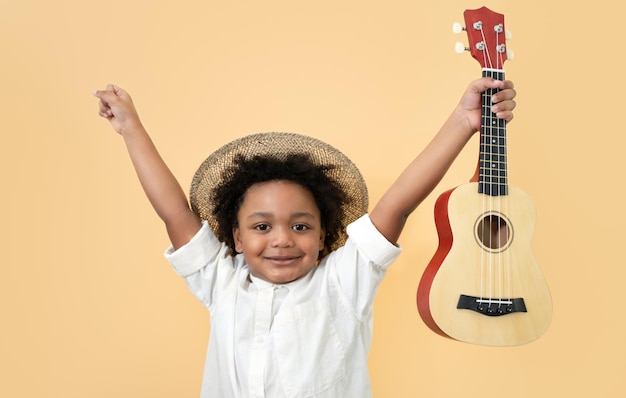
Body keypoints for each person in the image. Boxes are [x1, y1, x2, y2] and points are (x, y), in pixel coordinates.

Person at [93, 78, 516, 397]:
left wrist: (464, 121)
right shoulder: (222, 283)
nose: (282, 240)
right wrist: (131, 128)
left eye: (300, 226)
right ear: (236, 238)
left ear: (323, 235)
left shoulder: (345, 281)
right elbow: (173, 211)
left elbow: (398, 205)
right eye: (262, 227)